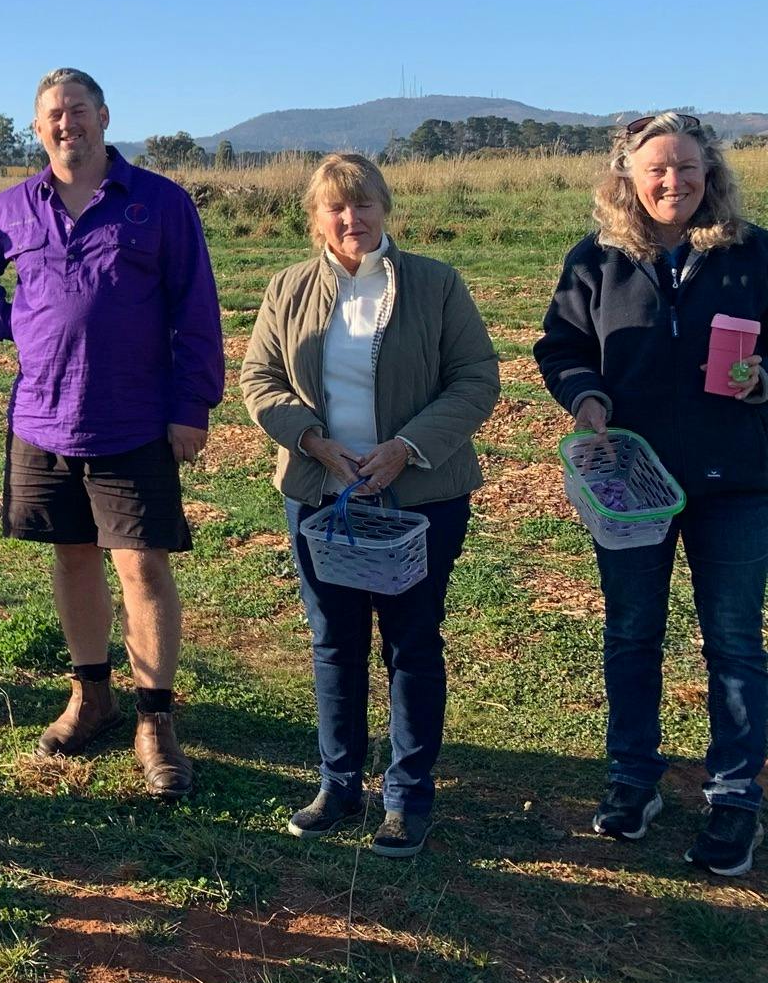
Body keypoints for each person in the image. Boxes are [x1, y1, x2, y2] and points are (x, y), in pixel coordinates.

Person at [0, 67, 224, 800]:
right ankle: (91, 694)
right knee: (72, 557)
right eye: (52, 115)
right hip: (42, 416)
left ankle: (156, 720)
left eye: (77, 110)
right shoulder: (11, 207)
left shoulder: (159, 203)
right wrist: (11, 325)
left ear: (104, 117)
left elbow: (196, 306)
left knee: (142, 565)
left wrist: (191, 405)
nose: (65, 123)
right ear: (38, 130)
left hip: (134, 414)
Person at [240, 153, 499, 857]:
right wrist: (314, 442)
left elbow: (476, 377)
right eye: (335, 208)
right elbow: (259, 379)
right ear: (315, 218)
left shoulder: (436, 285)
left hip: (420, 495)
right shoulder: (288, 288)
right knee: (335, 640)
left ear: (386, 208)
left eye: (363, 205)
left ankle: (407, 795)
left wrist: (407, 448)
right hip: (321, 495)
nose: (350, 219)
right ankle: (339, 783)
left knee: (412, 641)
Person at [535, 112, 768, 877]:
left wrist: (763, 380)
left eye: (689, 169)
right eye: (658, 169)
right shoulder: (597, 260)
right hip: (630, 484)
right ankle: (633, 779)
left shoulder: (752, 253)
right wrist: (586, 398)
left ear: (713, 175)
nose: (674, 182)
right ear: (627, 177)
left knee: (733, 643)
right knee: (633, 633)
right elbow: (561, 345)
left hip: (734, 480)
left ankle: (734, 797)